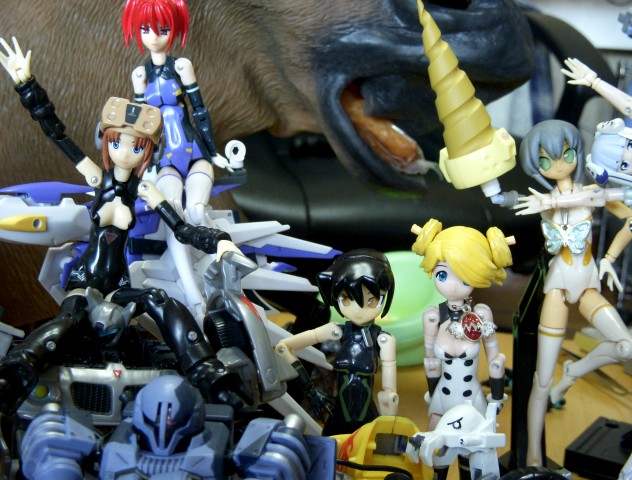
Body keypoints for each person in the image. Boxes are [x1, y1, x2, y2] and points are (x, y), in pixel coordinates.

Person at [0, 37, 245, 415]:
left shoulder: (146, 190)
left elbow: (182, 231)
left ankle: (207, 371)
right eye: (118, 143)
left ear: (148, 151)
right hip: (85, 281)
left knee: (160, 302)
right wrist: (26, 85)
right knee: (70, 317)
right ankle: (18, 370)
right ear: (107, 142)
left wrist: (220, 241)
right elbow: (58, 134)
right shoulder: (97, 179)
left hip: (118, 286)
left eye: (137, 146)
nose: (125, 152)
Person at [517, 119, 632, 466]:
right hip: (558, 288)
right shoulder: (544, 200)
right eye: (546, 161)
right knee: (541, 381)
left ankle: (572, 373)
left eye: (565, 155)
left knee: (627, 347)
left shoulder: (593, 193)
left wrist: (609, 259)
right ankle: (534, 458)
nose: (558, 166)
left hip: (587, 283)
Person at [123, 0, 236, 314]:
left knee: (197, 212)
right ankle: (193, 295)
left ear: (174, 30)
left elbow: (200, 111)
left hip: (194, 151)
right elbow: (141, 125)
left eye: (162, 28)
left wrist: (212, 151)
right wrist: (141, 164)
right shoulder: (140, 75)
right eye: (145, 28)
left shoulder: (182, 66)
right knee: (171, 214)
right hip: (165, 158)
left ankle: (229, 274)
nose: (154, 36)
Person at [411, 218, 510, 480]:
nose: (452, 286)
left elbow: (496, 360)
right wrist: (432, 391)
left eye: (464, 277)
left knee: (471, 453)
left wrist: (496, 396)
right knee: (436, 453)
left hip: (472, 398)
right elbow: (431, 363)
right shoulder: (432, 317)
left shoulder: (482, 314)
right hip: (442, 397)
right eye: (443, 274)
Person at [275, 249, 398, 436]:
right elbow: (284, 347)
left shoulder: (383, 340)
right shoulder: (336, 331)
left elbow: (389, 394)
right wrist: (309, 389)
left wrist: (389, 425)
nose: (358, 310)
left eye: (372, 301)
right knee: (331, 450)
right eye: (346, 299)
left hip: (367, 419)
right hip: (338, 416)